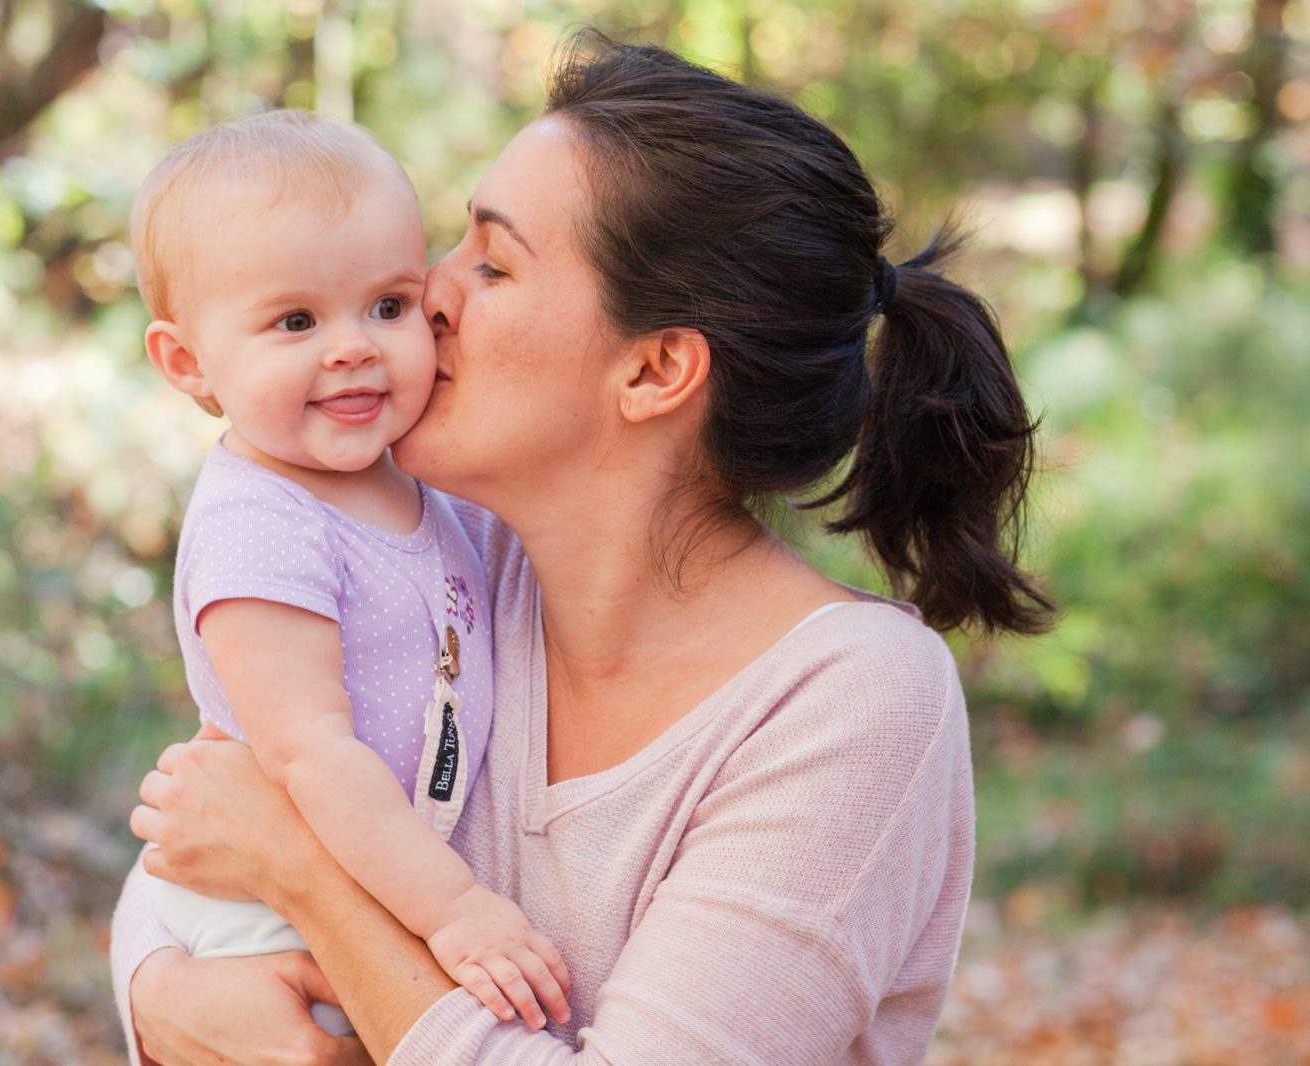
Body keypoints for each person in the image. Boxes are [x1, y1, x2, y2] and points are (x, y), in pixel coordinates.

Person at [115, 29, 1053, 1066]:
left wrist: (303, 879)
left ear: (654, 370)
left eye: (493, 261)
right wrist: (156, 993)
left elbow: (278, 844)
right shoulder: (458, 556)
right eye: (452, 244)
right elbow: (214, 811)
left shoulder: (851, 703)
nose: (428, 293)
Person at [128, 109, 570, 1039]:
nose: (353, 346)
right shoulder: (260, 525)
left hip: (372, 876)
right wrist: (453, 910)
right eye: (296, 320)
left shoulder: (420, 481)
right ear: (186, 361)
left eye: (388, 305)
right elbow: (310, 755)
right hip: (273, 908)